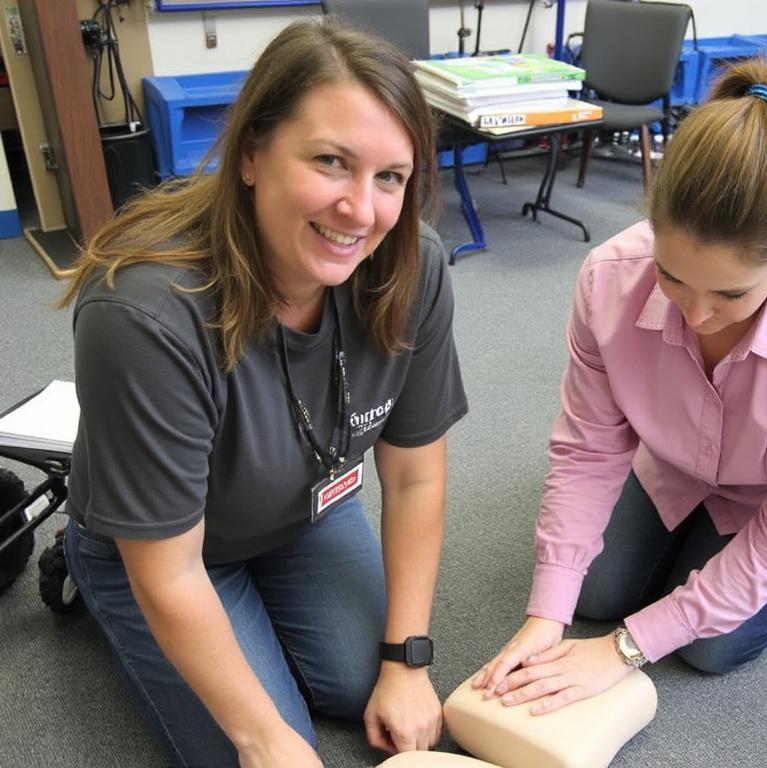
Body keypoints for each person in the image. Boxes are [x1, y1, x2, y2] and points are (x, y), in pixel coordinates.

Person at [59, 17, 467, 766]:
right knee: (265, 747)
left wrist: (409, 660)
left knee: (360, 684)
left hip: (305, 508)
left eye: (390, 177)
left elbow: (413, 476)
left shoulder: (413, 266)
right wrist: (262, 737)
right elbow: (172, 570)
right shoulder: (145, 313)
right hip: (162, 551)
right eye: (330, 162)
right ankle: (84, 573)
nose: (361, 211)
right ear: (252, 153)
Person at [475, 58, 767, 713]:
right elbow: (590, 449)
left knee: (709, 648)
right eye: (673, 278)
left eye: (731, 293)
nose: (696, 314)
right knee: (587, 594)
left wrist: (623, 649)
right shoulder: (608, 278)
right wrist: (545, 616)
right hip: (674, 461)